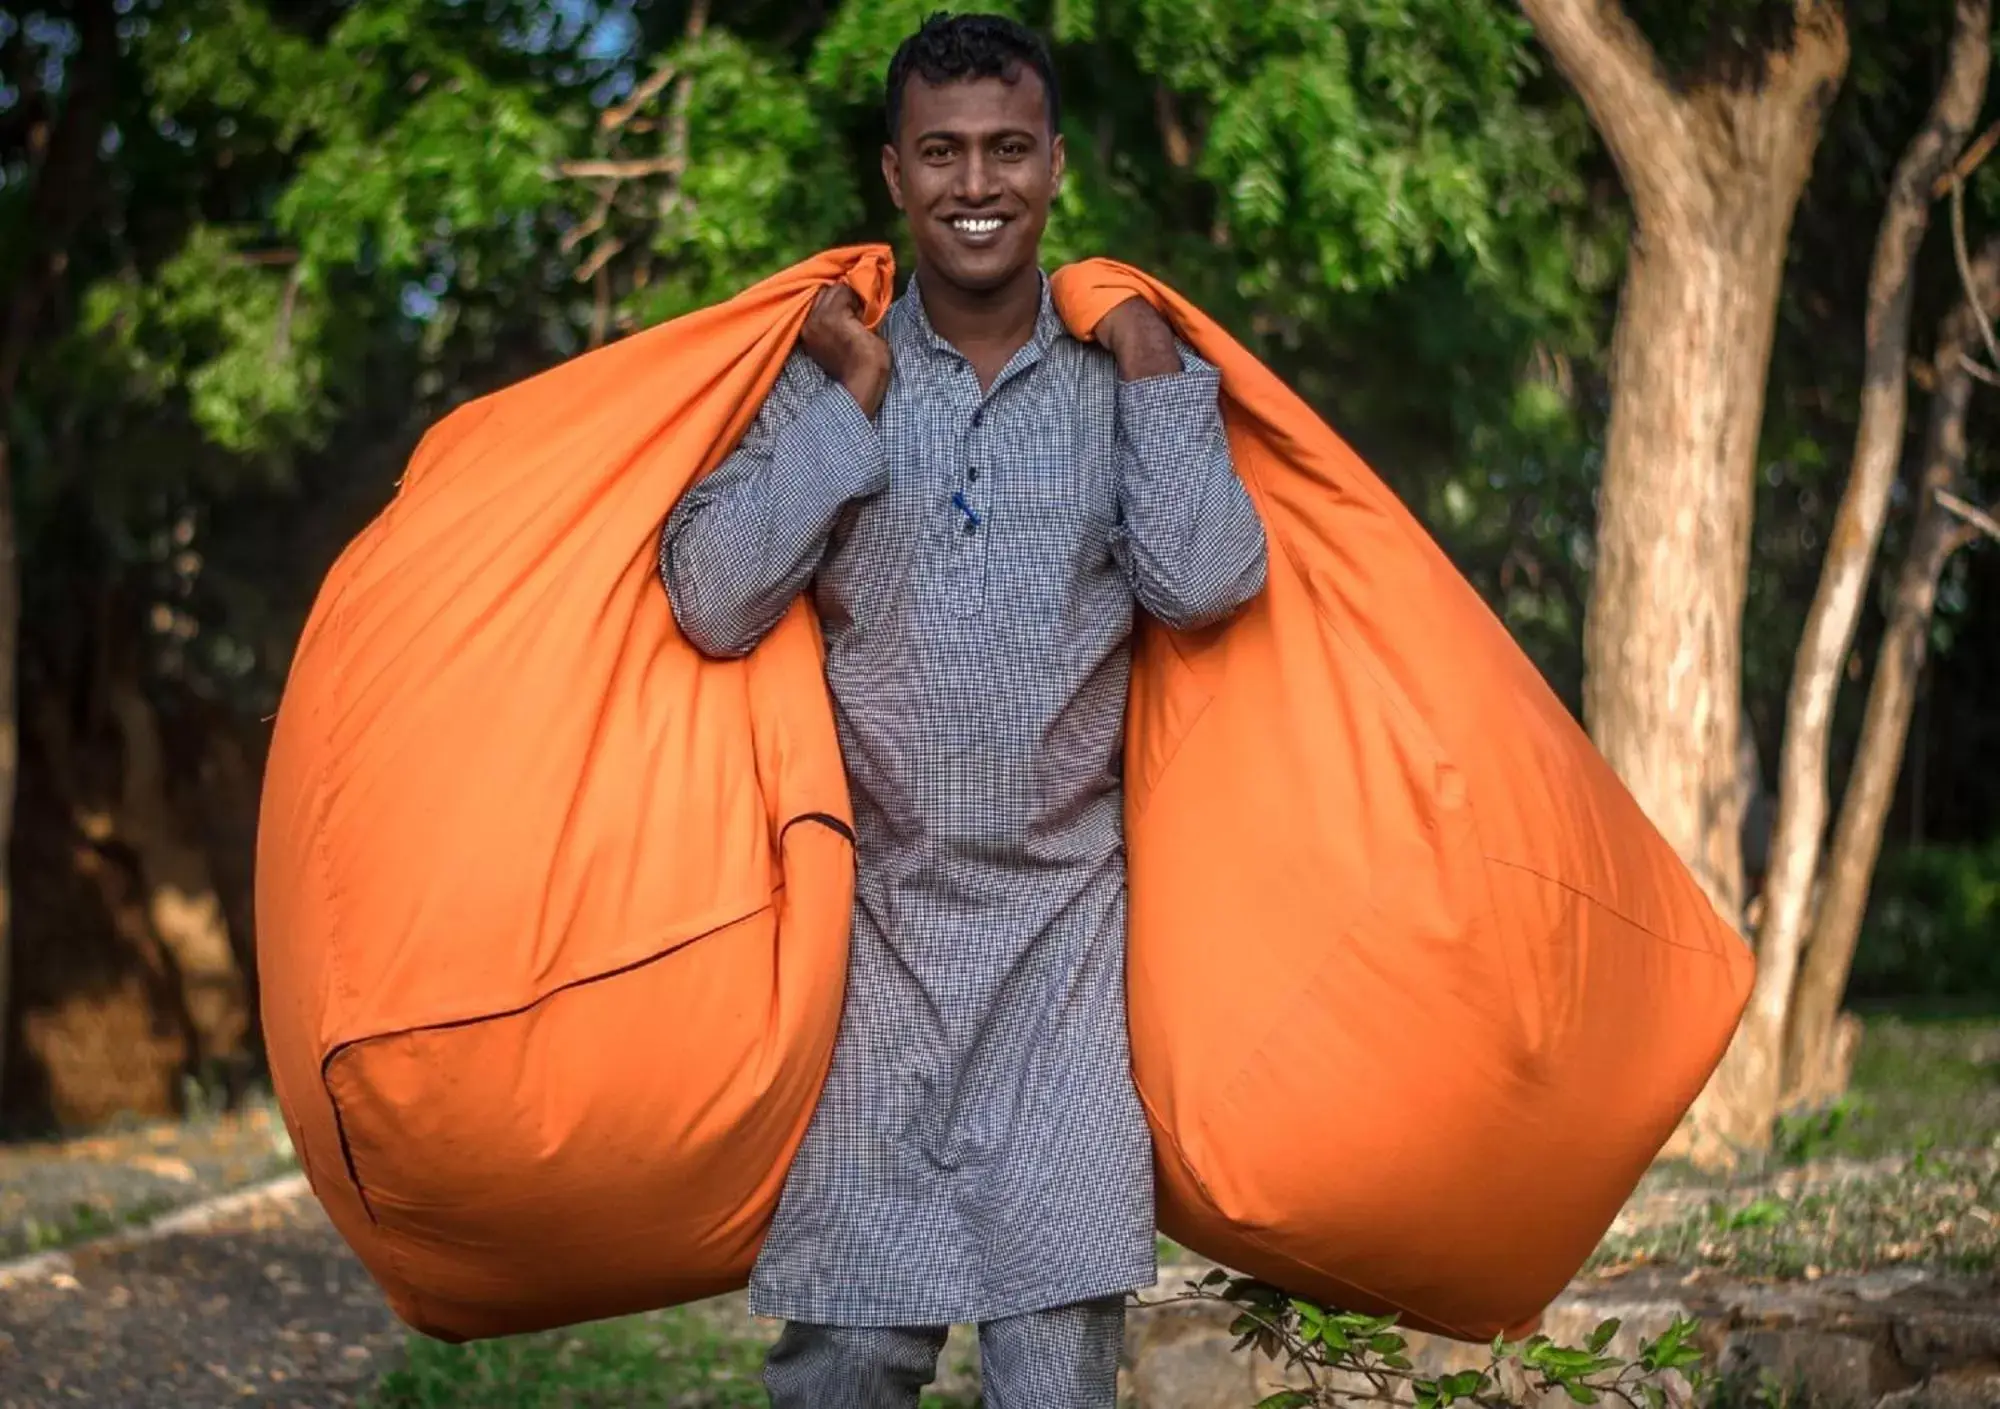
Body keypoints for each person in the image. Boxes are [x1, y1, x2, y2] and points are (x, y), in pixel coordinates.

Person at [658, 12, 1267, 1407]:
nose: (974, 182)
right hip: (869, 956)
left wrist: (1155, 362)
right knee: (845, 1367)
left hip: (1068, 959)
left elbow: (1207, 581)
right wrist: (849, 408)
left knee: (1055, 1377)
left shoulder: (1120, 375)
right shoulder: (822, 367)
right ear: (894, 171)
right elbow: (712, 596)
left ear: (1056, 164)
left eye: (1005, 148)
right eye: (941, 152)